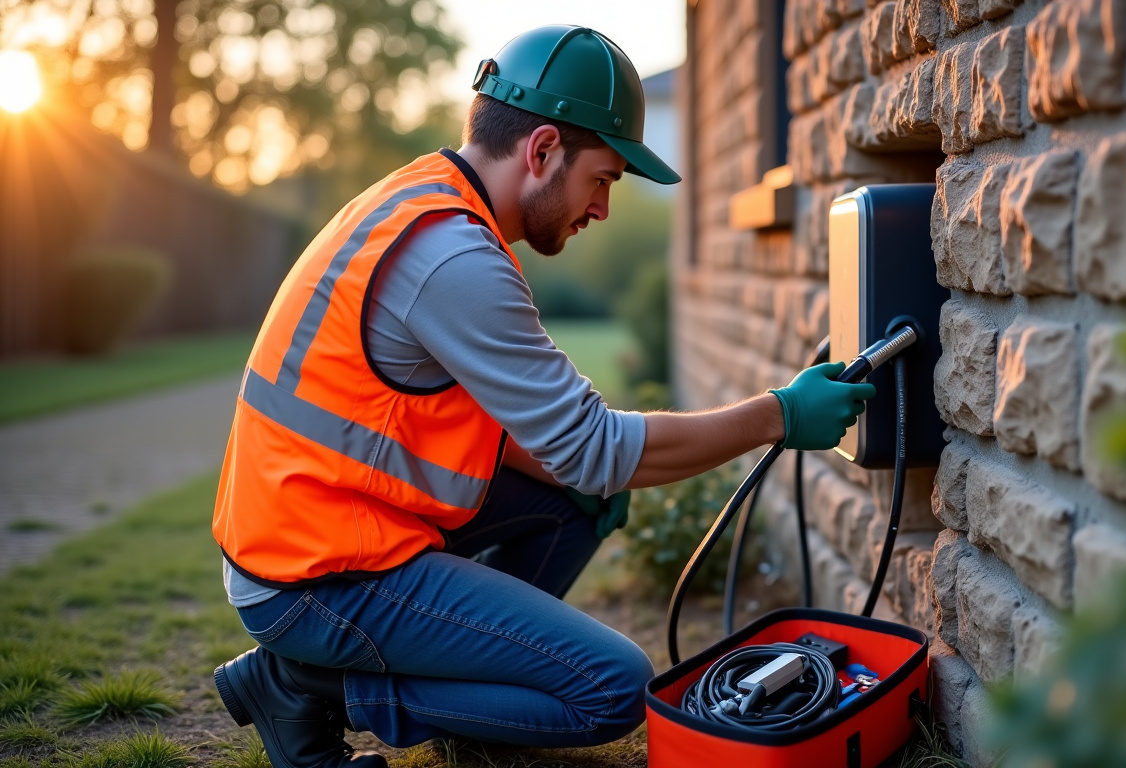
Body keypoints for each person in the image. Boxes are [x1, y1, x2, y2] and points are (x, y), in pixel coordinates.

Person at [211, 25, 875, 768]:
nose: (603, 208)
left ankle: (471, 688)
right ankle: (306, 684)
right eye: (604, 179)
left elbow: (508, 437)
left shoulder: (421, 203)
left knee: (575, 501)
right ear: (543, 150)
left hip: (328, 529)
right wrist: (778, 414)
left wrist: (585, 476)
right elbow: (593, 448)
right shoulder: (453, 258)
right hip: (316, 578)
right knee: (612, 689)